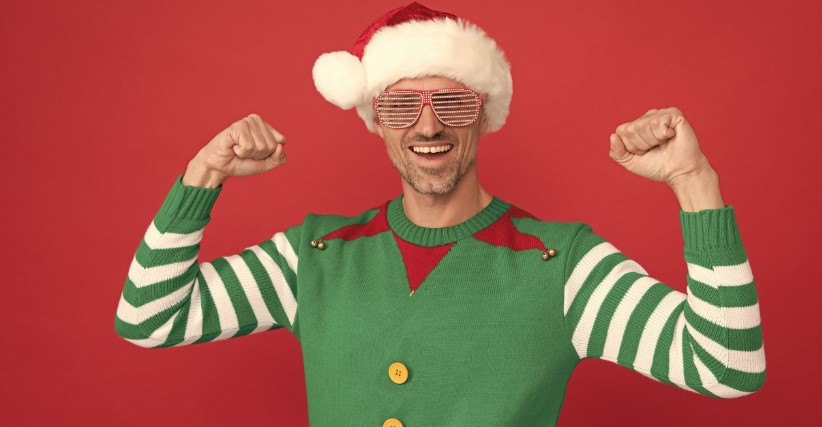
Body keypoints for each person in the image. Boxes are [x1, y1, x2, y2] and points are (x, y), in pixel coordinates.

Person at [114, 3, 766, 426]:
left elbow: (725, 367)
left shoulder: (562, 264)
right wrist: (203, 176)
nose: (428, 126)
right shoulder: (314, 254)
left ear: (484, 112)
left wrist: (692, 180)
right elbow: (149, 319)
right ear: (375, 123)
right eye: (401, 107)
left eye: (451, 103)